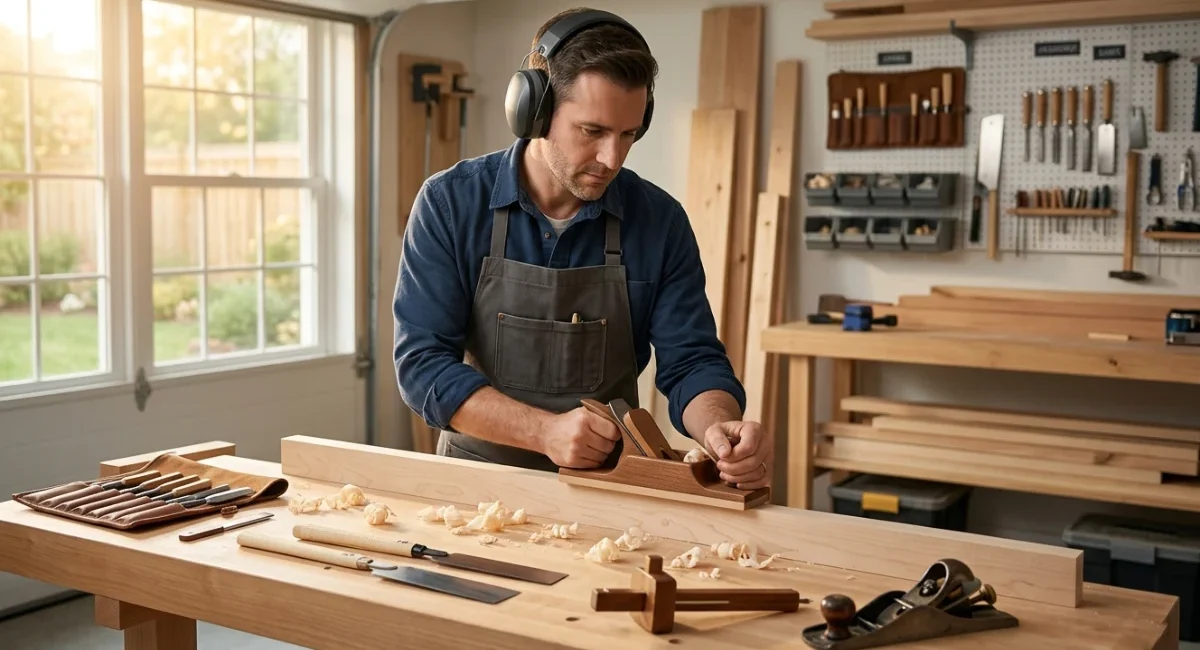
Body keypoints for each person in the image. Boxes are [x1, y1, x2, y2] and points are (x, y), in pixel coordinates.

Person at [391, 7, 772, 490]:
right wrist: (543, 432)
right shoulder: (450, 204)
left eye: (629, 134)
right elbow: (423, 366)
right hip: (477, 490)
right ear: (535, 112)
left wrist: (719, 426)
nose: (612, 158)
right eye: (593, 131)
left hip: (608, 487)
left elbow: (691, 360)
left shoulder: (659, 222)